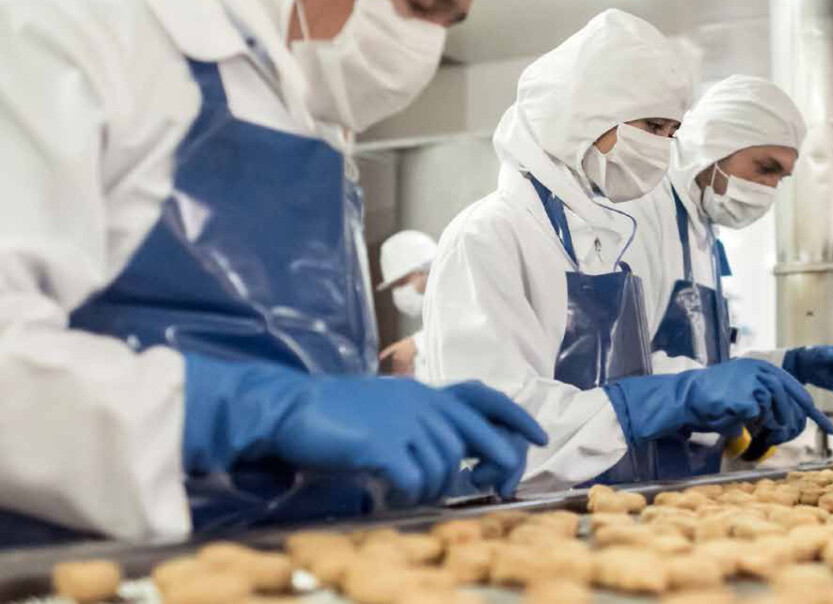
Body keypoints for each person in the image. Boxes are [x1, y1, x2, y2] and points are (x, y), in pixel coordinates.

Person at [0, 0, 545, 546]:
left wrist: (406, 440)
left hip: (298, 561)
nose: (423, 44)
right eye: (420, 4)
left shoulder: (304, 111)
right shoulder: (72, 30)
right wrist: (246, 410)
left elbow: (291, 358)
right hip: (100, 565)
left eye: (448, 21)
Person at [423, 10, 833, 491]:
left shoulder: (599, 240)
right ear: (584, 115)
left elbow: (624, 374)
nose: (662, 150)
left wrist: (712, 388)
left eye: (670, 134)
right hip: (515, 521)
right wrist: (661, 399)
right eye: (652, 127)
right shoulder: (489, 235)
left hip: (599, 503)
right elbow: (492, 430)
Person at [624, 75, 833, 466]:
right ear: (714, 147)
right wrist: (710, 390)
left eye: (780, 178)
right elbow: (619, 368)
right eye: (764, 168)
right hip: (634, 464)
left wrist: (787, 363)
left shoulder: (704, 230)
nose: (769, 188)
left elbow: (705, 364)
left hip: (691, 467)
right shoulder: (639, 213)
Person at [377, 230, 438, 376]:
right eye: (394, 287)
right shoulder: (432, 324)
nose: (398, 293)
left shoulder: (468, 298)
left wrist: (417, 344)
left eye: (402, 283)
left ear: (428, 271)